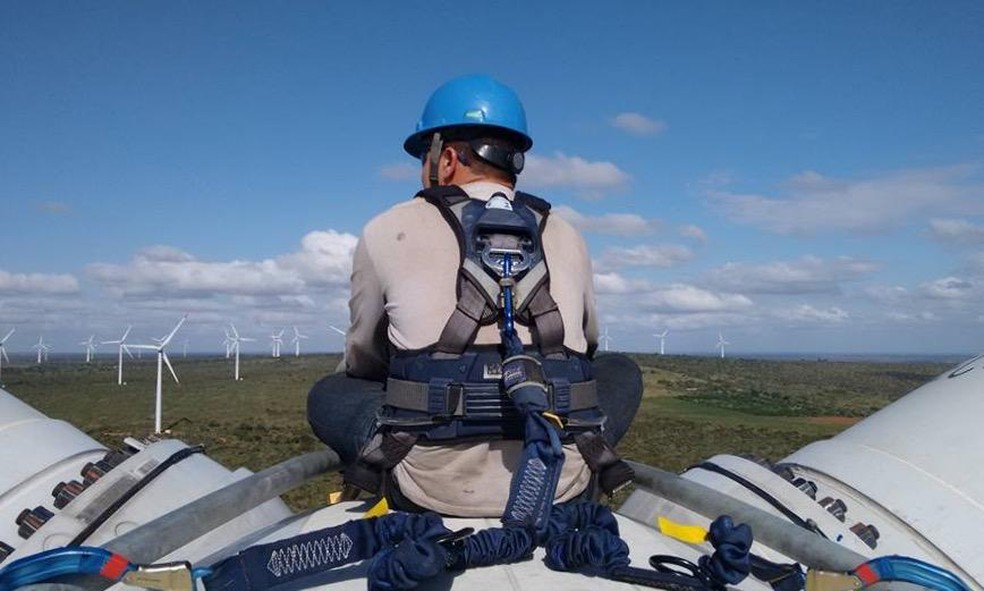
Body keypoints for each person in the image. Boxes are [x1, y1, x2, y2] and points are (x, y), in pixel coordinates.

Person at [308, 75, 642, 524]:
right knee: (621, 370)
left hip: (427, 481)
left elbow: (364, 357)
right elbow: (589, 343)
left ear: (445, 158)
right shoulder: (567, 231)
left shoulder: (387, 227)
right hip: (563, 478)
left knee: (330, 390)